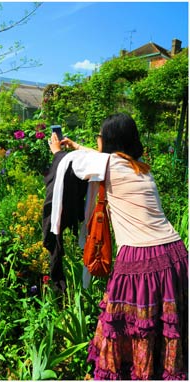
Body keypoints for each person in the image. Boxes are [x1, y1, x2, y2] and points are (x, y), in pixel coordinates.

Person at [48, 113, 188, 380]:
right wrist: (77, 146)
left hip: (141, 258)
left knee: (126, 328)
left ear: (110, 140)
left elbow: (70, 166)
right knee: (164, 327)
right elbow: (97, 158)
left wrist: (57, 151)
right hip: (177, 254)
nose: (97, 140)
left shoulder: (108, 164)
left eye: (100, 135)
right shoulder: (140, 167)